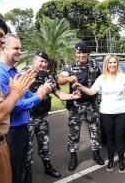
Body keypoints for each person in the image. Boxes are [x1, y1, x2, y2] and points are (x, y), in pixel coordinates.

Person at [0, 13, 35, 183]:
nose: (1, 40)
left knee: (19, 168)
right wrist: (15, 94)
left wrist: (12, 93)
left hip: (0, 140)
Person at [0, 33, 52, 183]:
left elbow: (26, 95)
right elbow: (11, 106)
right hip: (12, 131)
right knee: (13, 171)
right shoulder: (0, 73)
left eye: (20, 48)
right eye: (16, 48)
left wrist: (41, 92)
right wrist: (38, 96)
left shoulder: (14, 71)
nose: (20, 51)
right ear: (3, 49)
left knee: (21, 167)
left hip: (23, 127)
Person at [24, 51, 81, 183]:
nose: (44, 64)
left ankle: (48, 167)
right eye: (41, 61)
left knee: (45, 145)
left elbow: (59, 93)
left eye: (45, 62)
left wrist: (72, 96)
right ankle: (27, 174)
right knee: (28, 148)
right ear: (34, 61)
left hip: (43, 118)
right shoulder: (26, 74)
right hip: (28, 119)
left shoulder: (48, 76)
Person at [73, 55, 125, 173]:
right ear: (106, 64)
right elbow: (91, 91)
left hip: (122, 112)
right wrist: (80, 87)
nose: (112, 64)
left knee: (120, 138)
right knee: (109, 139)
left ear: (117, 64)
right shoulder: (101, 78)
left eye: (114, 62)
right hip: (106, 113)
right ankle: (110, 161)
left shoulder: (123, 77)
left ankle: (121, 162)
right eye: (110, 62)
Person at [58, 41, 104, 171]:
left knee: (95, 130)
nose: (82, 55)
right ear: (76, 53)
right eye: (79, 52)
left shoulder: (94, 64)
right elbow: (60, 80)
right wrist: (68, 78)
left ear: (87, 53)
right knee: (74, 132)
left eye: (84, 52)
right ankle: (73, 158)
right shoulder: (70, 66)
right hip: (76, 105)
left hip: (92, 104)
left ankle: (96, 154)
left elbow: (102, 79)